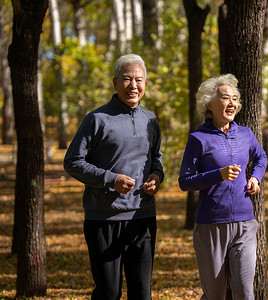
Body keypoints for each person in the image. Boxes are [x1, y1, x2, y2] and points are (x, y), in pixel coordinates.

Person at [64, 54, 164, 300]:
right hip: (103, 217)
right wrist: (111, 179)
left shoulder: (150, 119)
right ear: (114, 82)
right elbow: (72, 162)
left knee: (142, 293)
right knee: (109, 292)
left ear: (145, 84)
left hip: (143, 216)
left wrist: (156, 176)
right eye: (126, 79)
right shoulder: (97, 119)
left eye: (138, 80)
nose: (133, 86)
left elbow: (156, 157)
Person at [178, 74, 268, 300]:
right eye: (225, 98)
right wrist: (217, 175)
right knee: (215, 295)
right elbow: (185, 181)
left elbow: (261, 158)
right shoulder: (198, 138)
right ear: (209, 103)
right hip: (212, 225)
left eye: (234, 99)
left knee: (245, 293)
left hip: (245, 222)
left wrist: (255, 178)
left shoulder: (245, 133)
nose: (232, 103)